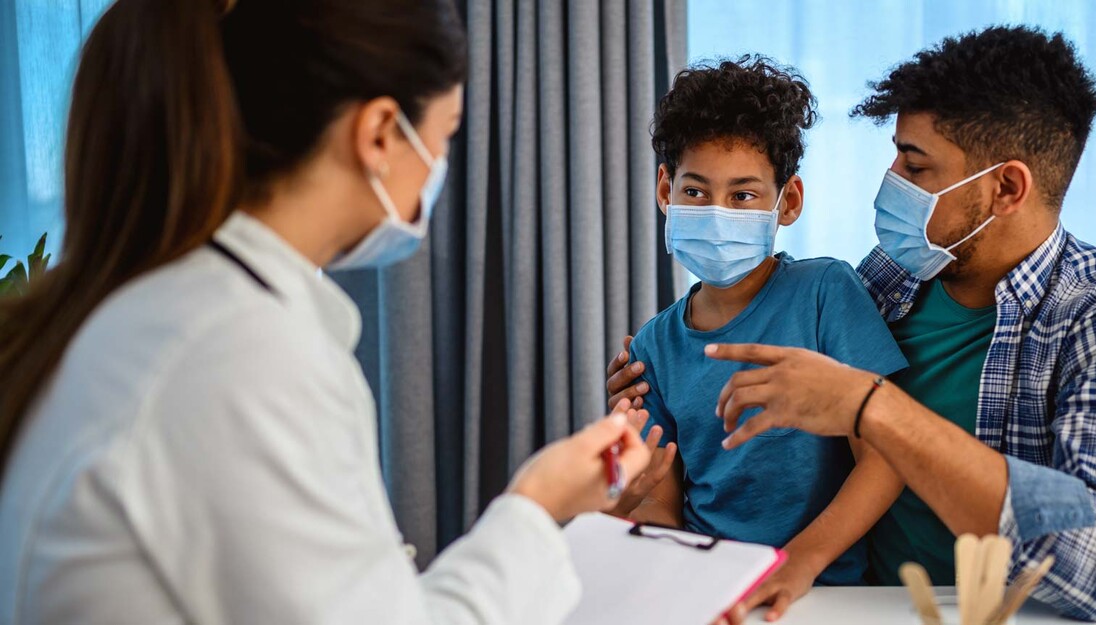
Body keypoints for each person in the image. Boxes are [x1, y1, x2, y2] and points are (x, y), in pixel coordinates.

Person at [0, 1, 648, 623]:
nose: (437, 170)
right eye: (443, 137)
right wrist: (536, 504)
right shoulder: (240, 353)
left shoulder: (165, 308)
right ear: (378, 133)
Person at [608, 26, 1096, 621]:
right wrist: (649, 382)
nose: (891, 183)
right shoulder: (892, 274)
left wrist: (872, 408)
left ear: (1006, 187)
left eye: (915, 164)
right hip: (847, 605)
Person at [605, 56, 908, 623]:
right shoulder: (652, 347)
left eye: (743, 195)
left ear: (787, 201)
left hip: (827, 593)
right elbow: (663, 504)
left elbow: (887, 457)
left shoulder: (825, 293)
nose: (716, 212)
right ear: (666, 189)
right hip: (708, 591)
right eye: (695, 191)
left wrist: (799, 561)